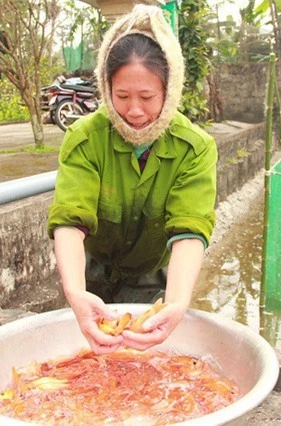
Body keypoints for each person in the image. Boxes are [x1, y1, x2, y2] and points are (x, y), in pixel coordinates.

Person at [47, 5, 217, 355]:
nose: (135, 111)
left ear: (169, 91)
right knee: (85, 358)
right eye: (122, 97)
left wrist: (178, 301)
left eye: (148, 97)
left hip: (150, 277)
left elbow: (190, 229)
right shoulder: (84, 138)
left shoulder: (195, 148)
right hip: (91, 273)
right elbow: (69, 219)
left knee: (142, 359)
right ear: (106, 88)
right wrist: (75, 293)